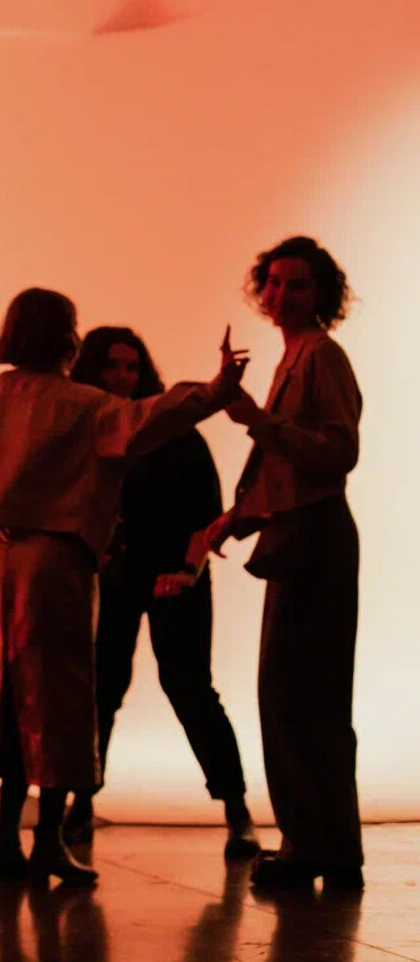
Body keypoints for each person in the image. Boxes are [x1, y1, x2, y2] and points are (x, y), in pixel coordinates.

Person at [0, 288, 246, 889]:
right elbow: (154, 416)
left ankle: (5, 838)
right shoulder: (82, 407)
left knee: (12, 693)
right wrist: (218, 389)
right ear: (67, 338)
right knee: (66, 699)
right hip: (59, 560)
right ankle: (47, 841)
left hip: (3, 558)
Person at [165, 237, 364, 893]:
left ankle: (319, 848)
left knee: (301, 697)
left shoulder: (321, 357)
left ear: (322, 294)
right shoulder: (295, 357)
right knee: (296, 696)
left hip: (315, 535)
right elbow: (288, 467)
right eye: (274, 283)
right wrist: (238, 517)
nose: (281, 295)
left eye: (297, 284)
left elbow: (337, 453)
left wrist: (258, 421)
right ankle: (324, 847)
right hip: (297, 533)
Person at [64, 327, 259, 858]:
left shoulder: (175, 433)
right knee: (101, 689)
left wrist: (189, 571)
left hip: (177, 575)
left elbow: (206, 515)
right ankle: (81, 803)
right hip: (114, 577)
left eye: (132, 367)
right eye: (112, 366)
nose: (123, 377)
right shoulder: (88, 429)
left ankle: (237, 810)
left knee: (190, 689)